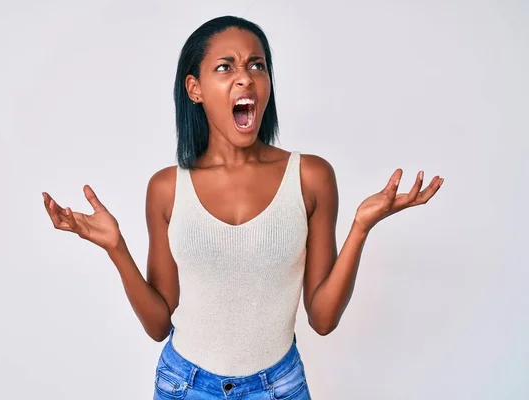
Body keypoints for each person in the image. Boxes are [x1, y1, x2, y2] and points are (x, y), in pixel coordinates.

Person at [42, 15, 444, 400]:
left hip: (279, 387)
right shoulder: (166, 188)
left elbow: (322, 319)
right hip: (184, 386)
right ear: (194, 89)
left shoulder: (311, 177)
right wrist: (117, 248)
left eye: (257, 65)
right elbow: (159, 323)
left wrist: (360, 227)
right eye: (225, 67)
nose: (245, 77)